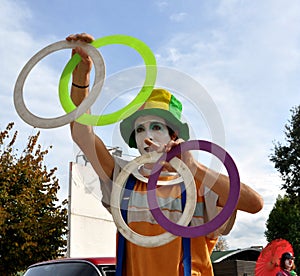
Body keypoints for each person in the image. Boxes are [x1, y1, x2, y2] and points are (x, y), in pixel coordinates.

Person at [67, 33, 264, 276]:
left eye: (156, 127)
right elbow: (81, 134)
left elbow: (255, 204)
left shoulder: (201, 187)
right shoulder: (124, 181)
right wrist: (81, 76)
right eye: (139, 129)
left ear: (174, 136)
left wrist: (194, 169)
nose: (146, 135)